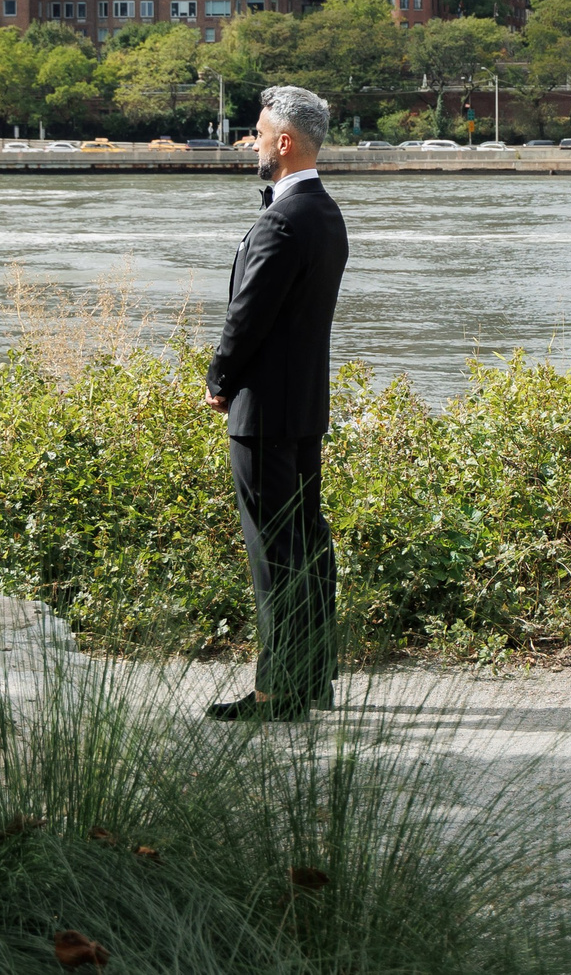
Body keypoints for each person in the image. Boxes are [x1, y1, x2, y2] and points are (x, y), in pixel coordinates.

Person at [204, 85, 349, 722]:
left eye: (259, 132)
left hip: (263, 410)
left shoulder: (284, 219)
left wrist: (219, 378)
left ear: (284, 143)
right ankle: (310, 680)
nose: (253, 142)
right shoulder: (326, 212)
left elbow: (249, 315)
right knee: (308, 544)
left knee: (275, 555)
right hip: (303, 406)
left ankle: (276, 692)